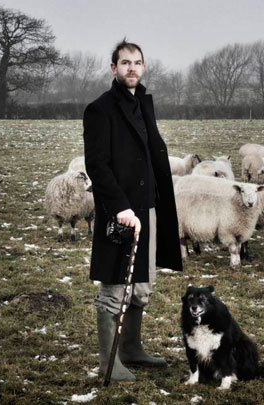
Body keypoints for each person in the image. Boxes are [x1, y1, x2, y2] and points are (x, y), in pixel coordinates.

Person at [83, 40, 183, 382]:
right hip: (122, 212)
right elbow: (97, 164)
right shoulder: (101, 109)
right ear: (113, 68)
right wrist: (121, 207)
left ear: (144, 67)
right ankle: (109, 364)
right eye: (125, 63)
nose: (132, 68)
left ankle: (131, 349)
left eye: (137, 63)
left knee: (142, 286)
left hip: (150, 207)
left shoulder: (143, 103)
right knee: (115, 288)